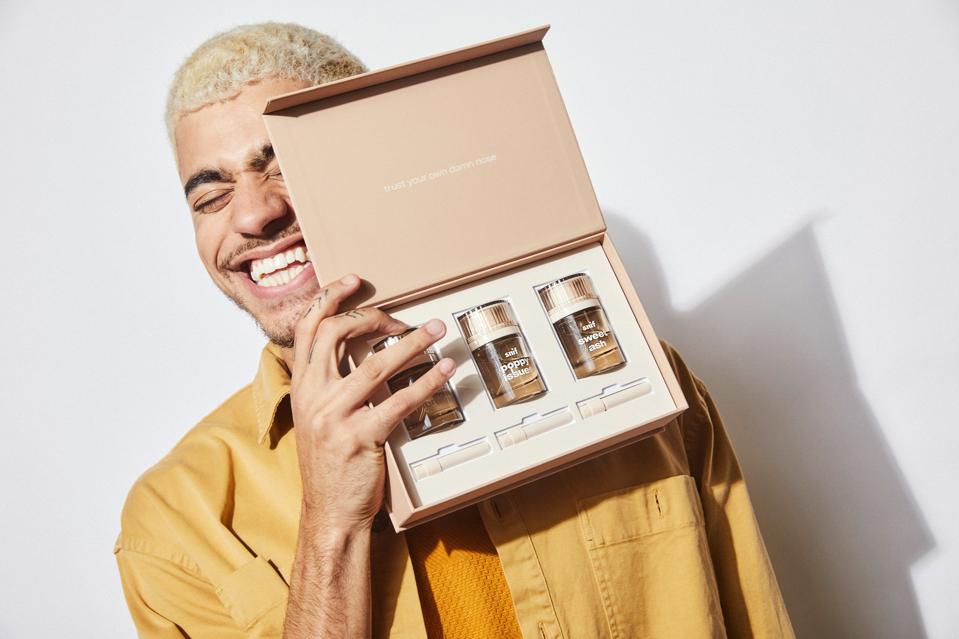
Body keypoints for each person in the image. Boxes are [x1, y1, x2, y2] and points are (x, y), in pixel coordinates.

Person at [114, 21, 795, 639]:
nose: (253, 214)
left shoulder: (640, 383)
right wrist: (331, 523)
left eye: (284, 166)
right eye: (211, 195)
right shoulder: (175, 521)